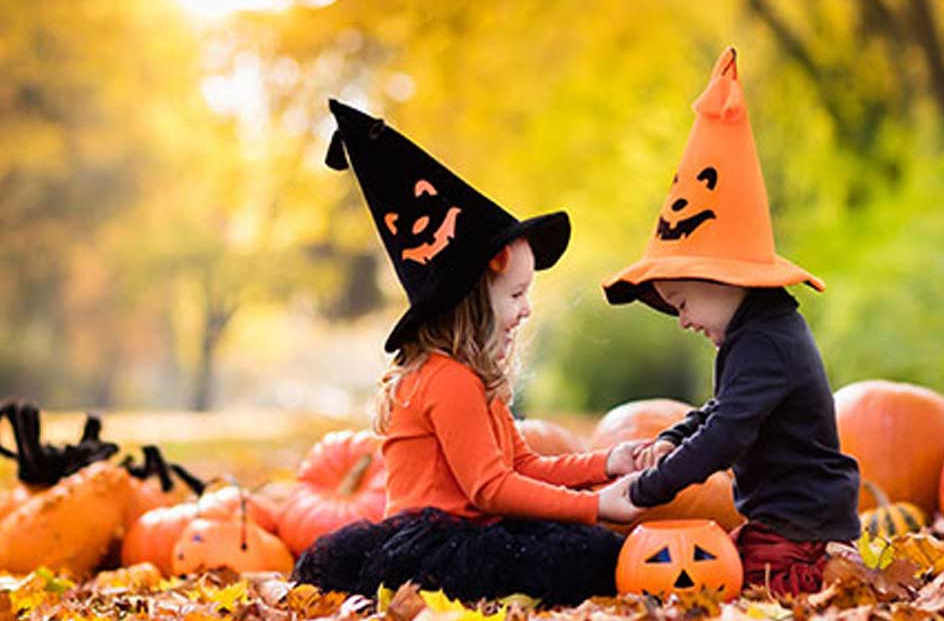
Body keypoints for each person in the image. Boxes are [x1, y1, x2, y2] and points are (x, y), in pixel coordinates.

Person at [293, 99, 643, 606]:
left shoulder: (474, 377)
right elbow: (491, 490)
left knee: (587, 550)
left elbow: (524, 465)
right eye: (516, 296)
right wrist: (595, 507)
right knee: (586, 558)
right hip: (439, 546)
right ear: (474, 303)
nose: (526, 312)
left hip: (476, 531)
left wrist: (607, 463)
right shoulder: (446, 379)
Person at [603, 49, 861, 596]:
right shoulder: (758, 332)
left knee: (740, 584)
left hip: (803, 529)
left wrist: (649, 489)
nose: (682, 321)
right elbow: (722, 411)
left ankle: (818, 574)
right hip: (785, 519)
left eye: (681, 303)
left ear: (722, 278)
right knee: (721, 565)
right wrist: (675, 436)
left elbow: (727, 435)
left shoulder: (767, 342)